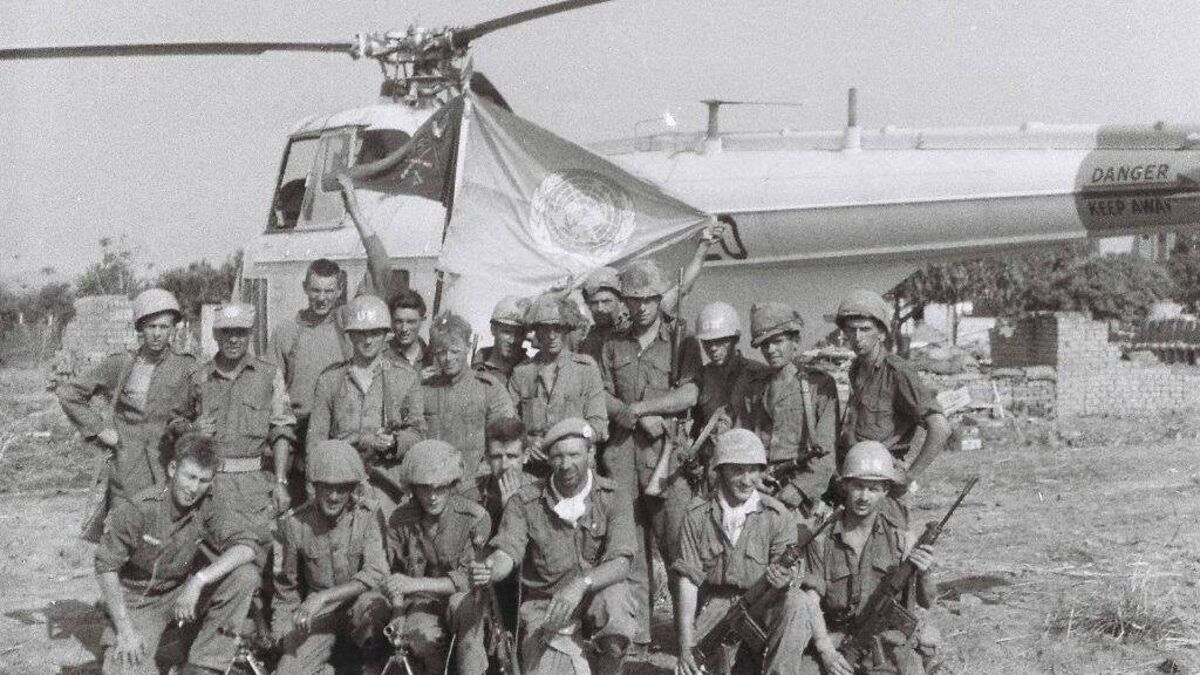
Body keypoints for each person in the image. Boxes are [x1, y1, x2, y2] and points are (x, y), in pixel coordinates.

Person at [470, 418, 637, 675]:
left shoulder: (614, 496)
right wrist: (490, 568)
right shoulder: (525, 502)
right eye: (558, 456)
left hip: (596, 592)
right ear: (548, 459)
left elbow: (621, 562)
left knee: (617, 607)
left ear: (591, 453)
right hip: (546, 607)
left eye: (574, 455)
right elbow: (508, 552)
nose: (566, 464)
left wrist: (581, 585)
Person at [94, 433, 262, 675]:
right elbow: (106, 567)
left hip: (182, 591)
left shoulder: (208, 504)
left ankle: (204, 665)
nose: (194, 488)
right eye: (190, 477)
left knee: (245, 575)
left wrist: (199, 580)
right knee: (125, 667)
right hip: (140, 600)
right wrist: (125, 631)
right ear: (173, 469)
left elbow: (247, 546)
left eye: (203, 480)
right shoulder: (140, 508)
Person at [599, 258, 702, 647]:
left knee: (677, 547)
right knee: (630, 548)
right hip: (622, 457)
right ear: (625, 301)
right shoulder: (613, 343)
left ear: (661, 299)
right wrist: (626, 414)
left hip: (665, 457)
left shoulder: (681, 341)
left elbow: (690, 393)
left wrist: (642, 409)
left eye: (649, 299)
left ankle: (686, 636)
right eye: (634, 299)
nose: (642, 307)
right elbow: (601, 392)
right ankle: (637, 634)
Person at [673, 429, 819, 675]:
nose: (746, 480)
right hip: (718, 609)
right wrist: (686, 646)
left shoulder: (777, 515)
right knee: (692, 667)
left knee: (797, 602)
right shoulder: (697, 515)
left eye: (753, 470)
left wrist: (784, 581)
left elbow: (788, 578)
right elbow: (688, 582)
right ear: (720, 470)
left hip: (764, 605)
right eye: (737, 470)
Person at [800, 440, 940, 675]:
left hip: (886, 643)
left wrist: (924, 571)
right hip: (837, 640)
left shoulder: (901, 540)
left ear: (885, 490)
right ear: (845, 486)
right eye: (858, 486)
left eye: (873, 489)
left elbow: (927, 601)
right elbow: (811, 601)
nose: (864, 497)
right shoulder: (822, 540)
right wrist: (827, 653)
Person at [358, 440, 490, 675]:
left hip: (463, 602)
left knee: (464, 612)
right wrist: (398, 611)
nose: (432, 497)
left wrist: (415, 584)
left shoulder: (474, 518)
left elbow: (468, 580)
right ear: (413, 488)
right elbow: (395, 573)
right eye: (425, 488)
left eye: (440, 488)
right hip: (422, 604)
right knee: (420, 635)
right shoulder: (400, 519)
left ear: (453, 485)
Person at [58, 288, 198, 506]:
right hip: (128, 471)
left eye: (164, 327)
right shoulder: (121, 364)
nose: (157, 334)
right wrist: (100, 430)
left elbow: (201, 412)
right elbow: (69, 393)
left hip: (170, 468)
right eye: (151, 326)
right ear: (140, 327)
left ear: (172, 328)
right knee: (124, 523)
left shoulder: (186, 367)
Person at [174, 303, 296, 542]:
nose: (233, 339)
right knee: (206, 549)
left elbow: (281, 429)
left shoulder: (268, 375)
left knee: (254, 549)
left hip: (253, 485)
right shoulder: (198, 377)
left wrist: (281, 481)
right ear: (215, 334)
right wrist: (192, 429)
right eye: (226, 332)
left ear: (250, 334)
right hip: (208, 483)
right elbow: (175, 421)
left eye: (240, 332)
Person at [273, 439, 389, 674]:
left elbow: (376, 572)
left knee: (374, 611)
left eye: (342, 488)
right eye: (327, 487)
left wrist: (324, 597)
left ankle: (372, 666)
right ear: (315, 486)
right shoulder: (296, 523)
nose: (334, 497)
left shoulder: (368, 515)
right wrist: (284, 634)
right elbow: (286, 589)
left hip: (360, 607)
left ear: (352, 488)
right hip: (320, 615)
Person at [307, 295, 425, 511]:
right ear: (350, 335)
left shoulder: (405, 377)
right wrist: (313, 485)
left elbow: (417, 432)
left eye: (375, 333)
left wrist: (394, 442)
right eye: (361, 333)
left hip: (387, 485)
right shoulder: (330, 380)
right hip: (339, 482)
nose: (368, 340)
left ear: (385, 334)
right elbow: (316, 440)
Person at [727, 302, 840, 520]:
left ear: (795, 341)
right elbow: (743, 442)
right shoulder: (755, 388)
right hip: (758, 489)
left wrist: (799, 489)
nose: (770, 350)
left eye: (778, 342)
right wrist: (754, 477)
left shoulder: (818, 386)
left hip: (801, 497)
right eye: (764, 344)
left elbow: (827, 452)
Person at [835, 290, 951, 492]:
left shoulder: (897, 372)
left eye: (865, 329)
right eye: (852, 330)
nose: (858, 337)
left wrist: (909, 476)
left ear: (881, 333)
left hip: (881, 478)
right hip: (854, 472)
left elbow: (940, 428)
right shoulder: (856, 368)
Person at [576, 222, 726, 363]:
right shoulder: (589, 340)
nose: (600, 308)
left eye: (606, 301)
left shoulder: (641, 317)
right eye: (594, 303)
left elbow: (683, 288)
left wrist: (703, 246)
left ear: (620, 300)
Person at [508, 292, 608, 476]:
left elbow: (598, 424)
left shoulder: (586, 369)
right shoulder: (522, 373)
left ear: (567, 329)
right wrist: (526, 442)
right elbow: (509, 423)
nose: (552, 335)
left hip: (575, 466)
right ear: (536, 331)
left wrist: (575, 442)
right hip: (533, 468)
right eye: (545, 329)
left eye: (558, 328)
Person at [422, 312, 515, 497]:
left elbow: (504, 440)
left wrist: (482, 478)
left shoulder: (489, 389)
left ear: (468, 346)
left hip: (474, 488)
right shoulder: (426, 389)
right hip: (431, 488)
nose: (448, 358)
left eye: (454, 351)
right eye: (441, 352)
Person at [473, 295, 530, 386]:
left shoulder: (531, 373)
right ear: (493, 329)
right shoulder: (472, 369)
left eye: (518, 334)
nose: (512, 340)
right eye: (507, 332)